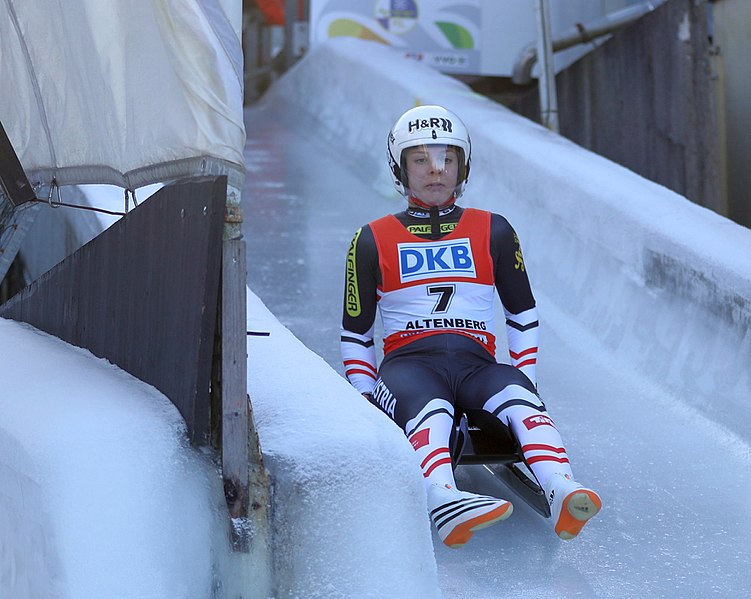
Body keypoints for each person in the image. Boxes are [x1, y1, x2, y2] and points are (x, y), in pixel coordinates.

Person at [340, 105, 601, 548]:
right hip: (409, 367)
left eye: (447, 159)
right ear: (400, 168)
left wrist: (526, 379)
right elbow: (356, 334)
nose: (435, 170)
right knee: (431, 407)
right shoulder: (371, 238)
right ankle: (442, 496)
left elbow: (522, 313)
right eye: (420, 159)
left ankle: (561, 486)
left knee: (518, 398)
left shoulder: (493, 230)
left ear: (464, 165)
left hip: (476, 364)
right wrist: (366, 402)